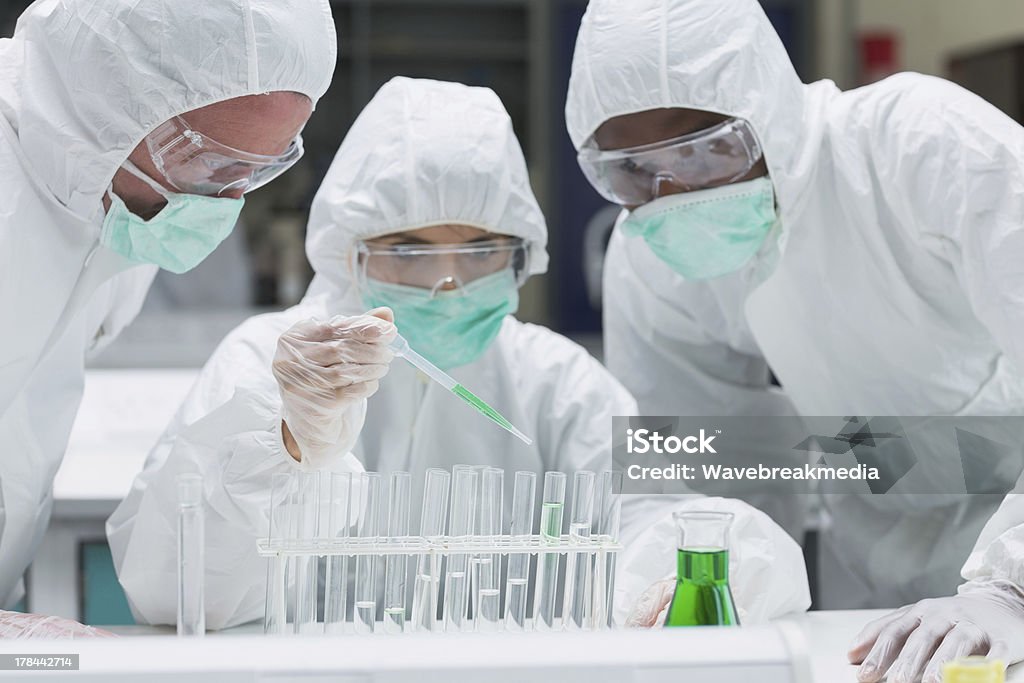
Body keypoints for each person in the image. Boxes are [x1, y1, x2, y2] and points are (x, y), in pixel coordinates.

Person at [107, 77, 810, 630]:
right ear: (347, 254)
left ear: (519, 258)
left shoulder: (554, 382)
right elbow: (169, 590)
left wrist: (689, 569)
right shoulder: (269, 361)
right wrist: (286, 440)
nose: (445, 284)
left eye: (478, 252)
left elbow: (654, 516)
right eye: (408, 251)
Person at [564, 0, 1024, 679]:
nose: (672, 189)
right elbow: (696, 460)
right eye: (633, 169)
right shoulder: (650, 255)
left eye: (702, 151)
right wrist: (705, 576)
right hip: (866, 577)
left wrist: (1009, 583)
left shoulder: (920, 144)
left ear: (765, 110)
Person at [0, 0, 336, 636]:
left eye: (261, 167)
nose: (229, 199)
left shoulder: (114, 190)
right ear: (102, 100)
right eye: (210, 163)